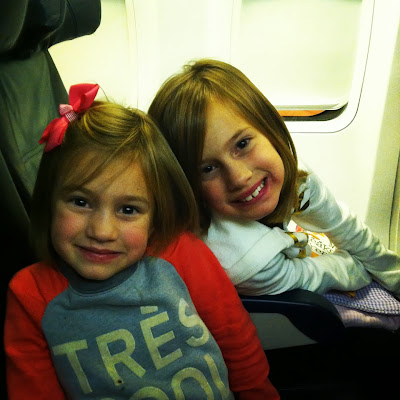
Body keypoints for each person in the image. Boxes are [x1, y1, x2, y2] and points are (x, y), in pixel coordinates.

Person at [4, 83, 280, 400]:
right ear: (48, 201)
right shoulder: (30, 295)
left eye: (128, 210)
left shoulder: (181, 253)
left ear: (155, 216)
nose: (102, 231)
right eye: (80, 202)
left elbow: (236, 342)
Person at [148, 58, 400, 300]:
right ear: (188, 188)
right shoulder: (245, 261)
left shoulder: (293, 176)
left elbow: (342, 226)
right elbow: (321, 275)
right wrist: (363, 270)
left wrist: (395, 278)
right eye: (208, 169)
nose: (240, 177)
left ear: (270, 128)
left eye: (242, 144)